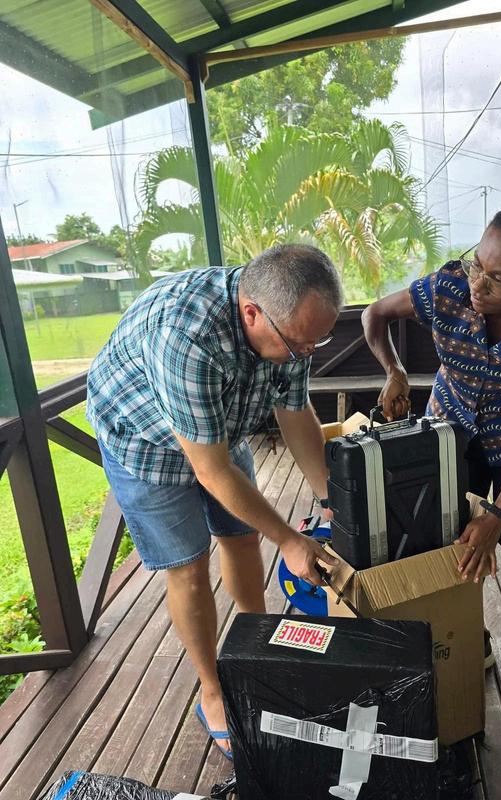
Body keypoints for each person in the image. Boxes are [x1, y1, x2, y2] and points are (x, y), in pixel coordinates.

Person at [86, 244, 342, 758]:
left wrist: (329, 497)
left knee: (243, 539)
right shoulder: (187, 335)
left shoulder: (291, 327)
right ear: (251, 314)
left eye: (318, 341)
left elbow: (295, 415)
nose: (307, 353)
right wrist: (290, 539)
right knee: (188, 566)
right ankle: (212, 690)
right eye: (299, 345)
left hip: (217, 429)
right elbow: (211, 471)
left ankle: (259, 648)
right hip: (143, 442)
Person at [362, 196, 501, 697]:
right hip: (450, 433)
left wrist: (498, 515)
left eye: (498, 278)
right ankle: (465, 627)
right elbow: (374, 315)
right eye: (476, 264)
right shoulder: (447, 288)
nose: (478, 285)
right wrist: (394, 371)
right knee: (445, 537)